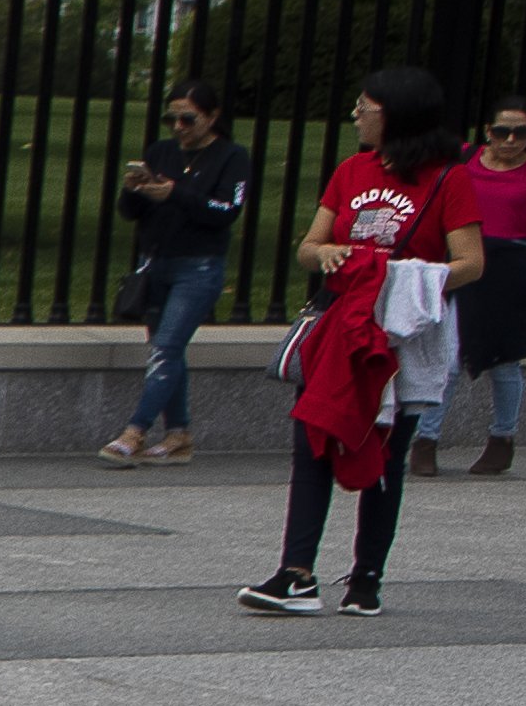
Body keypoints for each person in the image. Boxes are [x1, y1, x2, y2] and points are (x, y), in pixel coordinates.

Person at [241, 66, 484, 620]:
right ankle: (296, 574)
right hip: (340, 323)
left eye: (364, 106)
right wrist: (324, 255)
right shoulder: (351, 170)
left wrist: (401, 279)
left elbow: (471, 263)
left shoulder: (449, 179)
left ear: (394, 114)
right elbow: (310, 244)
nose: (355, 114)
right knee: (314, 440)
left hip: (399, 332)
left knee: (384, 454)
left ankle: (367, 577)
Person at [104, 82, 253, 466]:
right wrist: (134, 190)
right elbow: (130, 213)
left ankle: (135, 430)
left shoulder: (231, 157)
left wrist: (176, 194)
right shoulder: (161, 152)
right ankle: (178, 434)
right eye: (173, 118)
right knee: (167, 351)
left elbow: (225, 212)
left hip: (198, 266)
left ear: (212, 117)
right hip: (156, 263)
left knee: (166, 347)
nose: (179, 127)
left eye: (189, 119)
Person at [450, 98, 526, 473]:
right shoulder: (465, 159)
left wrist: (515, 245)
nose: (510, 139)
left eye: (520, 132)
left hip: (509, 266)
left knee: (505, 361)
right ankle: (425, 439)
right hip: (463, 260)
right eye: (502, 131)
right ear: (488, 132)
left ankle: (502, 438)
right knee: (449, 353)